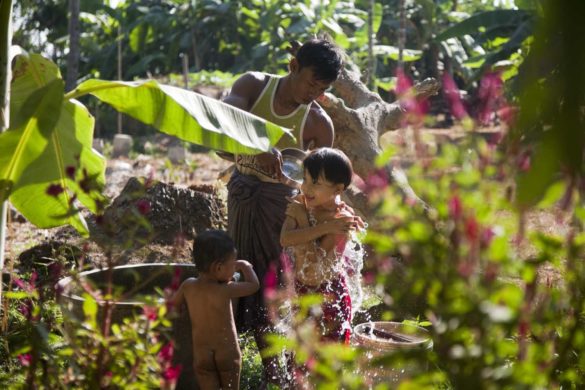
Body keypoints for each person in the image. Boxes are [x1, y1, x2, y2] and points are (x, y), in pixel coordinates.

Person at [220, 38, 344, 385]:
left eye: (322, 89)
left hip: (282, 214)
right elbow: (221, 132)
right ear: (293, 67)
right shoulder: (252, 87)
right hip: (243, 198)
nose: (313, 93)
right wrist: (254, 146)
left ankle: (280, 372)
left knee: (273, 288)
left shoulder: (318, 125)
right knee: (239, 273)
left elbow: (317, 188)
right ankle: (234, 360)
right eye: (310, 83)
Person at [280, 148, 362, 344]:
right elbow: (285, 239)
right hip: (301, 293)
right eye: (305, 179)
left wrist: (304, 220)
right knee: (299, 363)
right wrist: (323, 226)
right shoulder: (302, 204)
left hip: (328, 299)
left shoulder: (341, 220)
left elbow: (314, 268)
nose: (306, 188)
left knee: (325, 365)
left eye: (316, 183)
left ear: (338, 189)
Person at [171, 230, 259, 390]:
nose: (235, 268)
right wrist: (245, 266)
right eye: (233, 264)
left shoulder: (188, 286)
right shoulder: (226, 289)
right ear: (218, 268)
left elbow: (172, 307)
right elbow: (254, 286)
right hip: (227, 353)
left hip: (202, 355)